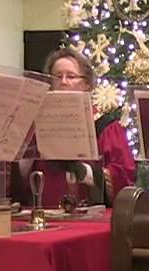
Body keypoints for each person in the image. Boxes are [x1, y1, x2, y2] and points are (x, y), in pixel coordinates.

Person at [20, 48, 135, 208]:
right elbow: (21, 174)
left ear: (87, 84)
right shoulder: (37, 123)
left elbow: (124, 175)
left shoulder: (105, 126)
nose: (63, 81)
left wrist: (85, 172)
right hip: (45, 211)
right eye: (57, 76)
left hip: (90, 213)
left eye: (71, 76)